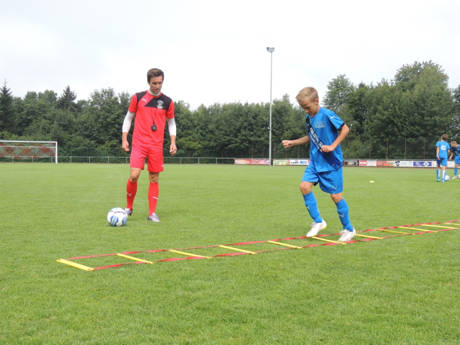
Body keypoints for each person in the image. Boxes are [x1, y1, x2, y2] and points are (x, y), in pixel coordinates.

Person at [282, 87, 355, 242]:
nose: (306, 111)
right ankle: (318, 221)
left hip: (331, 163)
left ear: (316, 101)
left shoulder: (327, 114)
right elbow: (310, 137)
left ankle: (349, 229)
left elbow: (345, 129)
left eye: (307, 107)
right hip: (315, 162)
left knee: (335, 196)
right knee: (304, 187)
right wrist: (293, 142)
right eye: (303, 109)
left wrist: (333, 146)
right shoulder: (309, 119)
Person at [121, 68, 177, 222]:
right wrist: (124, 139)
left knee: (154, 178)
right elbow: (128, 119)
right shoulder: (138, 98)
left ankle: (152, 213)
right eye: (154, 83)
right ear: (148, 82)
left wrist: (173, 142)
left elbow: (171, 123)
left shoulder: (167, 102)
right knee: (134, 175)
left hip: (156, 145)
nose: (157, 86)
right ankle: (128, 208)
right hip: (139, 143)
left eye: (160, 83)